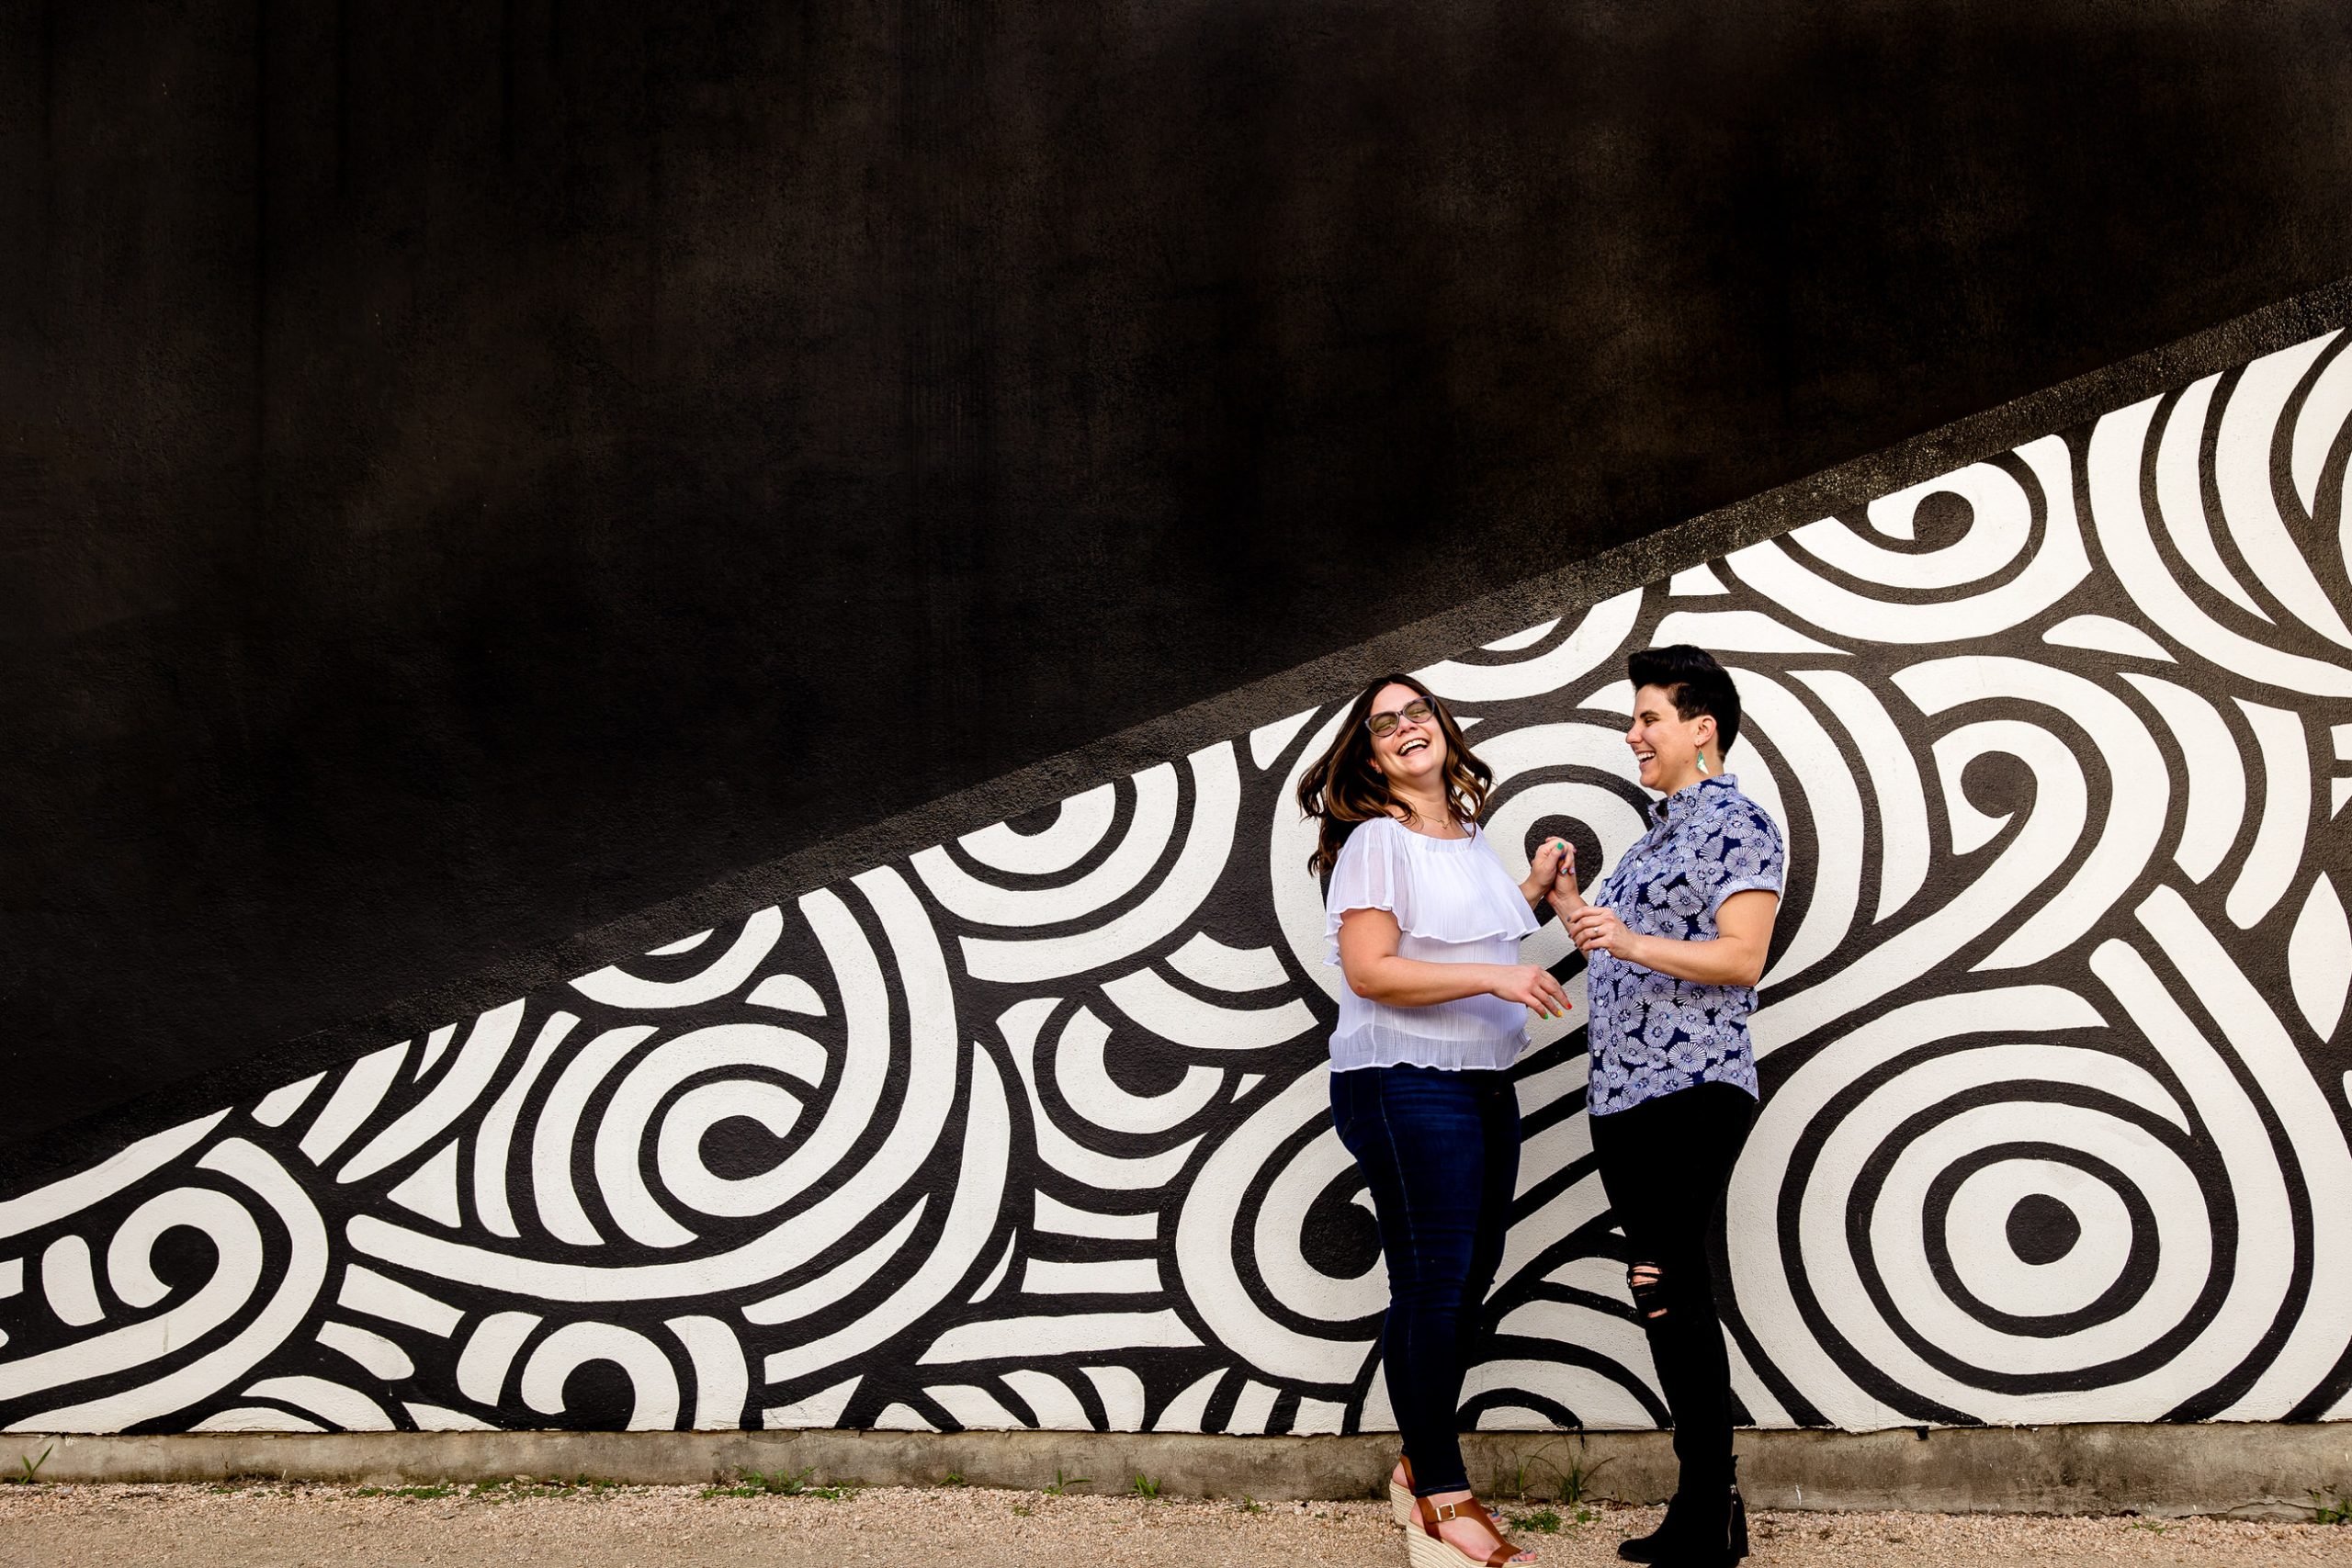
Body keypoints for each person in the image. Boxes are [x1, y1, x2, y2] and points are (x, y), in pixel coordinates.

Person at [1298, 671, 1572, 1568]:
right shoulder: (1376, 840)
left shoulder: (1464, 834)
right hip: (1404, 1081)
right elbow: (1372, 970)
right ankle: (1444, 1502)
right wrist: (1499, 976)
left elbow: (1464, 935)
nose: (1405, 727)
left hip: (1481, 1080)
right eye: (1384, 724)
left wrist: (1532, 890)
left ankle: (1419, 1467)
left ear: (1444, 729)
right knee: (1432, 1287)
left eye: (1417, 712)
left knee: (1466, 1284)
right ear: (1371, 757)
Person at [1548, 645, 1783, 1568]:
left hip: (1693, 1086)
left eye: (1648, 718)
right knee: (1658, 1286)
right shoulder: (1651, 839)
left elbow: (1740, 958)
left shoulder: (1739, 823)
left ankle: (1706, 1507)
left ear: (1702, 728)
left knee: (1669, 1280)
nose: (1632, 733)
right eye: (1634, 718)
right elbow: (1620, 951)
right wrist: (1574, 903)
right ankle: (1707, 1508)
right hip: (1622, 1091)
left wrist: (1630, 938)